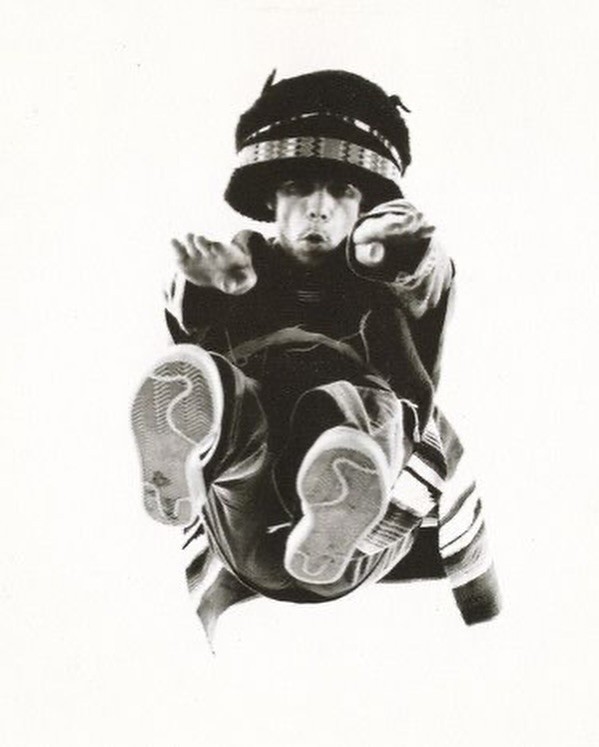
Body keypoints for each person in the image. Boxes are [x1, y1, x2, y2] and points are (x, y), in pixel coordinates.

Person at [131, 70, 501, 644]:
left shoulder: (384, 281)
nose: (319, 208)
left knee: (359, 406)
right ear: (269, 198)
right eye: (299, 187)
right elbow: (187, 329)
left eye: (342, 191)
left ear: (366, 204)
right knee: (226, 391)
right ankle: (193, 459)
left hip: (366, 535)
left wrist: (400, 253)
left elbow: (427, 284)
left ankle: (342, 483)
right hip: (245, 523)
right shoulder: (242, 266)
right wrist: (211, 289)